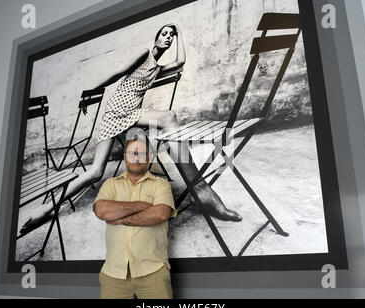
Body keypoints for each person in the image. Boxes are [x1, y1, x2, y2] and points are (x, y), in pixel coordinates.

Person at [20, 23, 241, 235]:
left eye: (171, 36)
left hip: (131, 114)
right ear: (156, 38)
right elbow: (117, 73)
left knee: (169, 117)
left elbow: (181, 61)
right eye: (164, 33)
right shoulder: (145, 54)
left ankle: (200, 190)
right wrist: (90, 92)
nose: (168, 37)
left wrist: (179, 32)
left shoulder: (158, 67)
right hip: (115, 113)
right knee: (95, 172)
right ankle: (46, 208)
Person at [94, 129, 176, 299]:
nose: (136, 157)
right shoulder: (111, 184)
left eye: (142, 153)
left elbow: (160, 214)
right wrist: (142, 205)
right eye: (132, 152)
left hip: (152, 272)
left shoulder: (161, 185)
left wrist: (119, 218)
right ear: (125, 156)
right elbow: (101, 210)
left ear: (149, 157)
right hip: (113, 274)